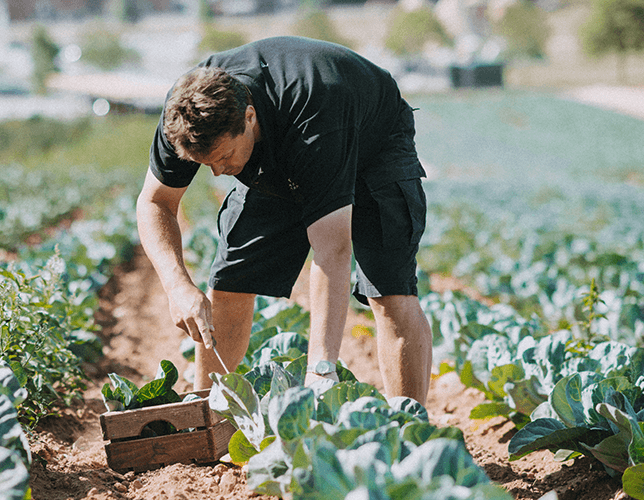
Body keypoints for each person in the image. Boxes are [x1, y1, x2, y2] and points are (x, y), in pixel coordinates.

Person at [135, 36, 433, 404]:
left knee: (389, 292)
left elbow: (332, 248)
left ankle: (407, 426)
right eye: (204, 163)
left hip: (370, 142)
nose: (216, 173)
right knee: (230, 281)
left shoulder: (315, 113)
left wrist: (321, 368)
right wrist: (177, 286)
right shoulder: (185, 116)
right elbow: (155, 203)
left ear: (249, 117)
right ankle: (205, 416)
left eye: (224, 157)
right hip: (278, 147)